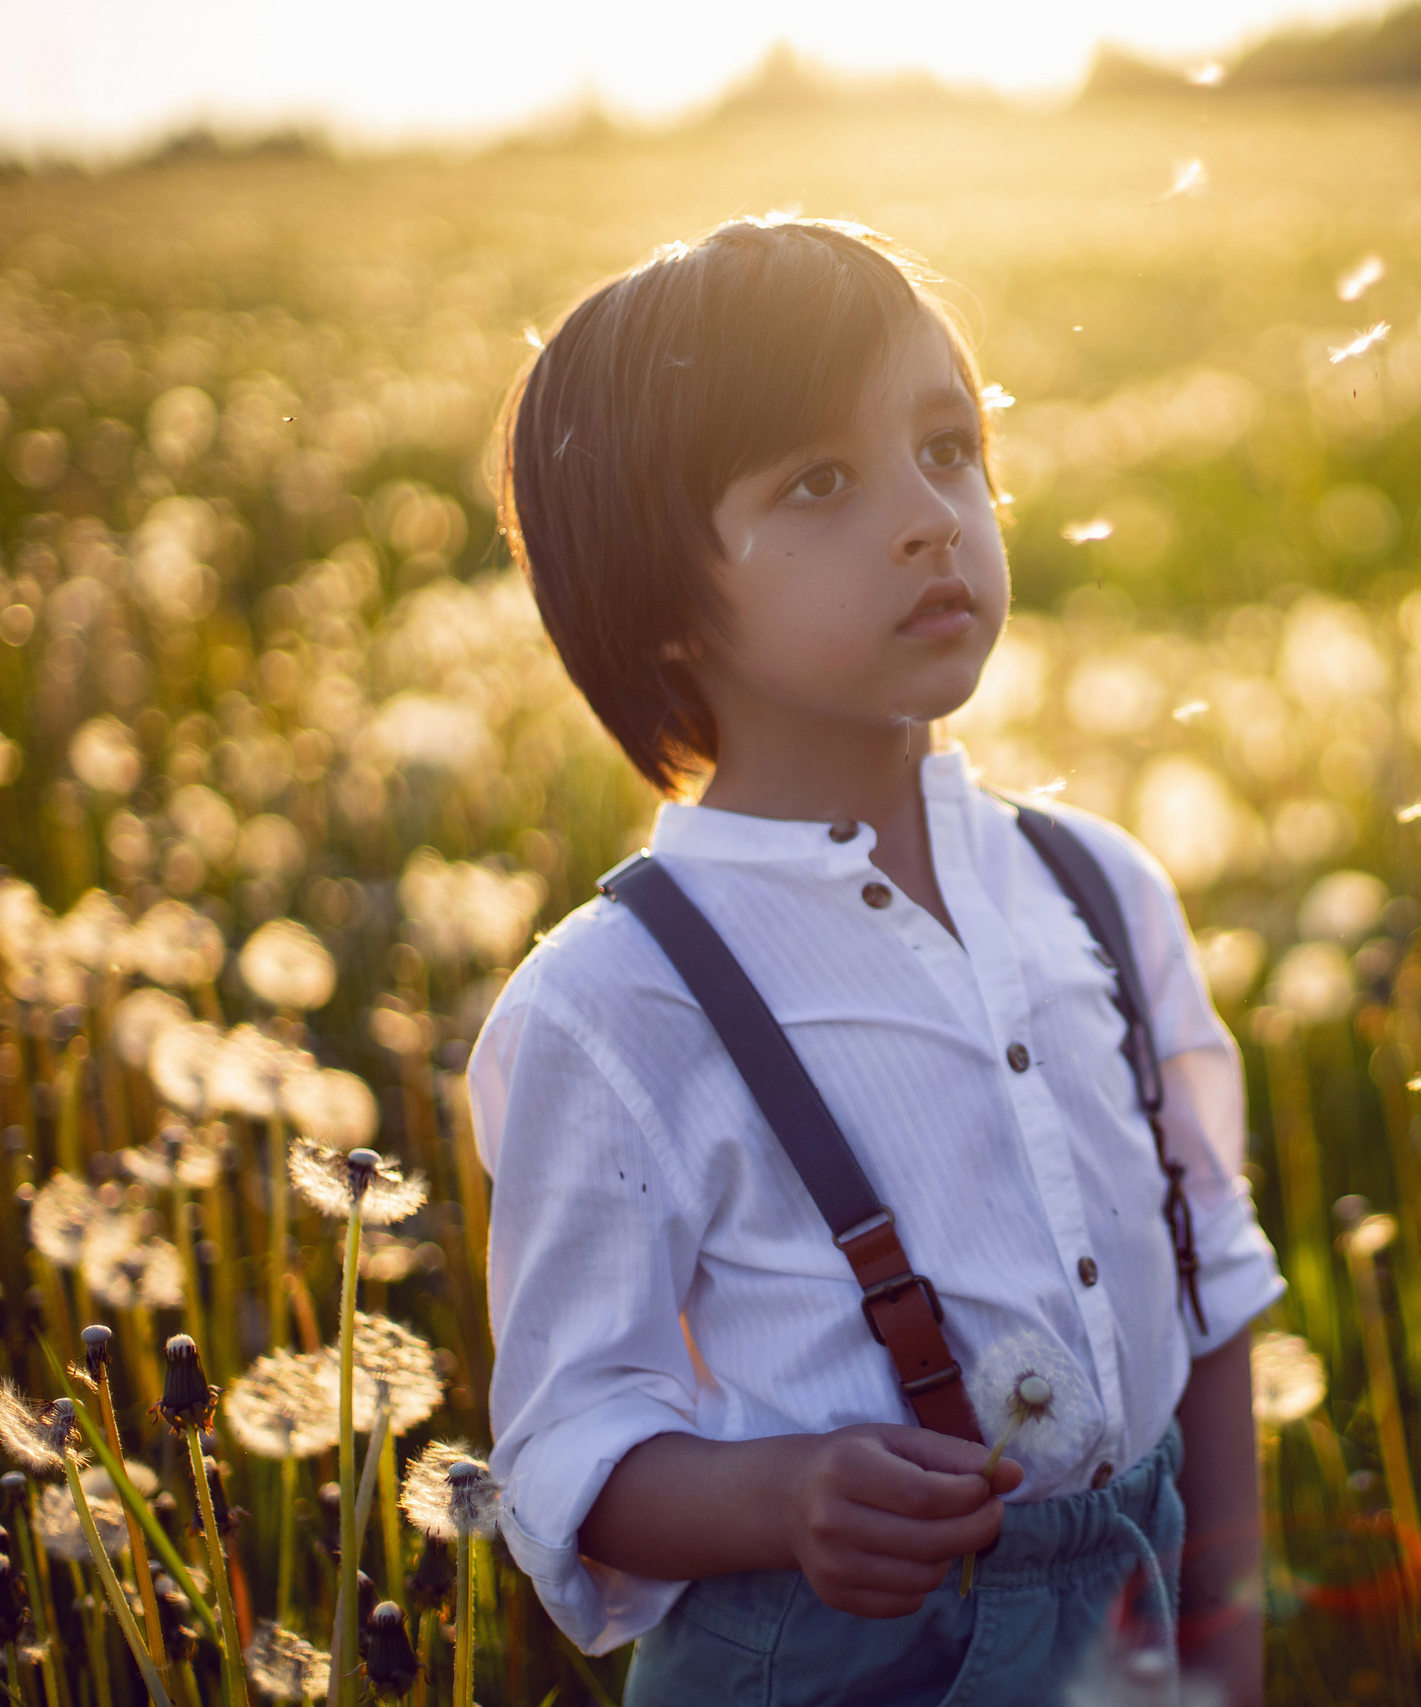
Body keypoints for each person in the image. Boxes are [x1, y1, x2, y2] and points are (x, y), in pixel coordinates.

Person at [468, 214, 1286, 1706]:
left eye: (949, 448)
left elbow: (1208, 1286)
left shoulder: (1103, 892)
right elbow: (570, 1441)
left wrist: (1225, 1635)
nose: (928, 516)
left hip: (1132, 1631)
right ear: (662, 611)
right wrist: (783, 1495)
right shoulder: (613, 1005)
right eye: (822, 482)